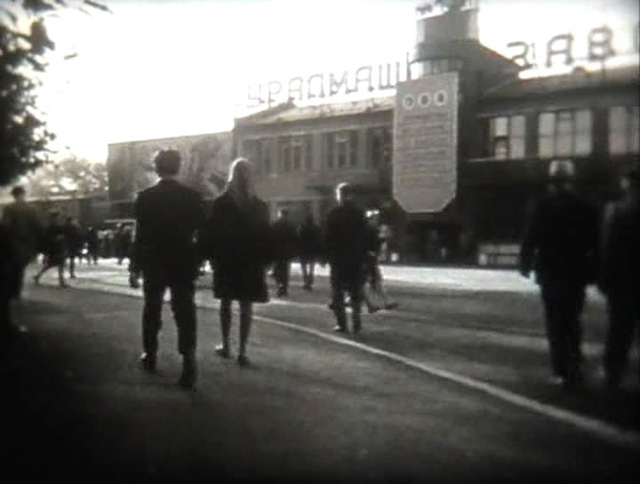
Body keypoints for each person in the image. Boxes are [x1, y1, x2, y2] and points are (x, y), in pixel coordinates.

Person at [519, 159, 599, 389]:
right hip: (576, 272)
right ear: (571, 180)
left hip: (550, 271)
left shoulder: (543, 205)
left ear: (551, 181)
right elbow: (595, 241)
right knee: (573, 319)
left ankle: (561, 369)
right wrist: (594, 270)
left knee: (555, 322)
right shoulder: (584, 206)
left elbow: (530, 237)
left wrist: (525, 264)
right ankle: (575, 363)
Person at [129, 149, 205, 389]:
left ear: (156, 167)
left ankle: (150, 354)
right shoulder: (192, 197)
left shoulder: (145, 198)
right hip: (183, 260)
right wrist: (199, 258)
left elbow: (140, 234)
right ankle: (188, 359)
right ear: (178, 167)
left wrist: (134, 266)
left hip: (154, 260)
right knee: (184, 311)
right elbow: (202, 231)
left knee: (152, 308)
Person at [199, 158, 271, 366]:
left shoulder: (222, 203)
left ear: (231, 175)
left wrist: (209, 257)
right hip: (251, 261)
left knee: (226, 303)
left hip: (227, 259)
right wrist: (266, 260)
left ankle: (226, 345)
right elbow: (266, 236)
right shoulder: (259, 206)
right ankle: (243, 350)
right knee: (246, 305)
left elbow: (212, 232)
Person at [598, 166, 640, 389]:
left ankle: (613, 373)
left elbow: (605, 246)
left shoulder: (614, 210)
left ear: (627, 185)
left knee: (619, 330)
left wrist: (603, 277)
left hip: (621, 281)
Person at [325, 182, 368, 334]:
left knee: (337, 291)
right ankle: (356, 321)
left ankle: (341, 323)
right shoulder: (359, 213)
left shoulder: (334, 213)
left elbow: (328, 237)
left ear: (339, 195)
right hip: (356, 258)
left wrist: (326, 255)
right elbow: (365, 234)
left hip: (338, 258)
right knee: (355, 290)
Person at [1, 185, 43, 301]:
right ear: (23, 194)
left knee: (13, 268)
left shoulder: (9, 208)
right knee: (20, 268)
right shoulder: (32, 209)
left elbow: (5, 225)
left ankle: (13, 290)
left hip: (12, 243)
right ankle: (17, 290)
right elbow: (38, 226)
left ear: (14, 195)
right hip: (28, 244)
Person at [362, 210, 399, 313]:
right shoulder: (368, 230)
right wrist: (383, 238)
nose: (376, 220)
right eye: (375, 218)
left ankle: (382, 302)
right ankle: (381, 303)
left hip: (369, 259)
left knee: (373, 281)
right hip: (367, 259)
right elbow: (373, 243)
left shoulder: (369, 230)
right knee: (367, 282)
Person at [33, 211, 69, 288]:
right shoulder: (51, 227)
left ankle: (38, 276)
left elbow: (62, 231)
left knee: (55, 265)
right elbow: (49, 238)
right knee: (54, 265)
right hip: (55, 249)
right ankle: (61, 282)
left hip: (56, 249)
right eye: (55, 217)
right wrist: (57, 238)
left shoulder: (52, 227)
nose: (56, 219)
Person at [270, 208, 298, 297]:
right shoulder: (291, 225)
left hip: (277, 251)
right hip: (287, 251)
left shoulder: (275, 224)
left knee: (277, 270)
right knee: (285, 270)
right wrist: (294, 251)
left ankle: (280, 285)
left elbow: (271, 237)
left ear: (280, 214)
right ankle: (284, 287)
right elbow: (295, 239)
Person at [298, 212, 323, 291]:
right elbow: (319, 239)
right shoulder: (316, 228)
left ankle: (305, 280)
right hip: (312, 249)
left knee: (304, 266)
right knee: (312, 266)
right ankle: (310, 279)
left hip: (303, 249)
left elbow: (299, 239)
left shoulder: (302, 228)